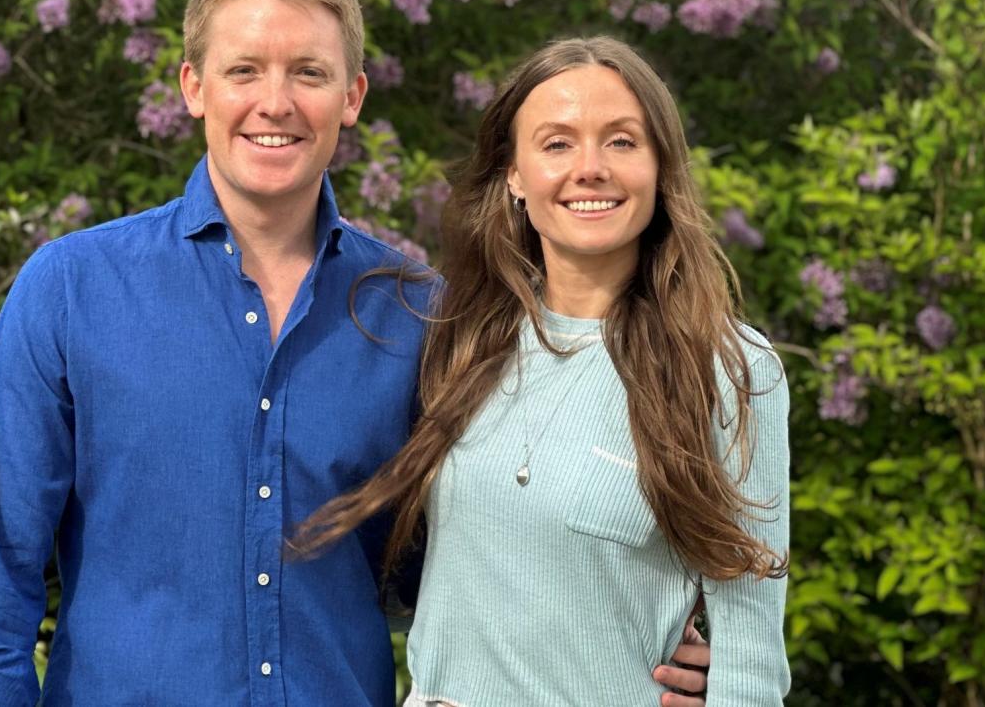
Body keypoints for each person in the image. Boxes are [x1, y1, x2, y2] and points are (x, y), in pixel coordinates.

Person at [0, 0, 711, 706]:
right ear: (194, 87)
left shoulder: (421, 312)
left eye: (308, 73)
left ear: (352, 97)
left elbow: (491, 545)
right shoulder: (71, 289)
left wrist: (657, 644)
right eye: (244, 71)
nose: (275, 102)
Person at [295, 36, 790, 706]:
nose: (589, 168)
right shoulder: (454, 338)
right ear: (514, 175)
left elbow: (749, 663)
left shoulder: (728, 369)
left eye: (621, 141)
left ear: (660, 166)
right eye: (556, 144)